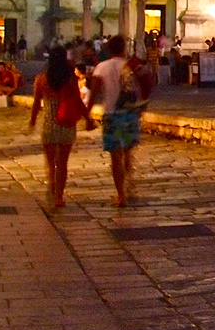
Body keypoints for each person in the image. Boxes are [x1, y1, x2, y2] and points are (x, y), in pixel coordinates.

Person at [28, 48, 90, 208]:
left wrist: (33, 121)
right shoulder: (70, 79)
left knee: (50, 163)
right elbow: (78, 101)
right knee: (62, 163)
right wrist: (88, 118)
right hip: (66, 123)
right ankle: (59, 198)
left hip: (49, 123)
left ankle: (52, 186)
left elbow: (36, 103)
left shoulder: (41, 79)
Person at [89, 35, 144, 207]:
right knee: (128, 152)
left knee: (115, 156)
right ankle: (129, 182)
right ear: (124, 49)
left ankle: (120, 195)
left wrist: (87, 114)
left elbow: (95, 91)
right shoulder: (131, 66)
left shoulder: (102, 67)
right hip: (129, 113)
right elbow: (143, 88)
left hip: (112, 114)